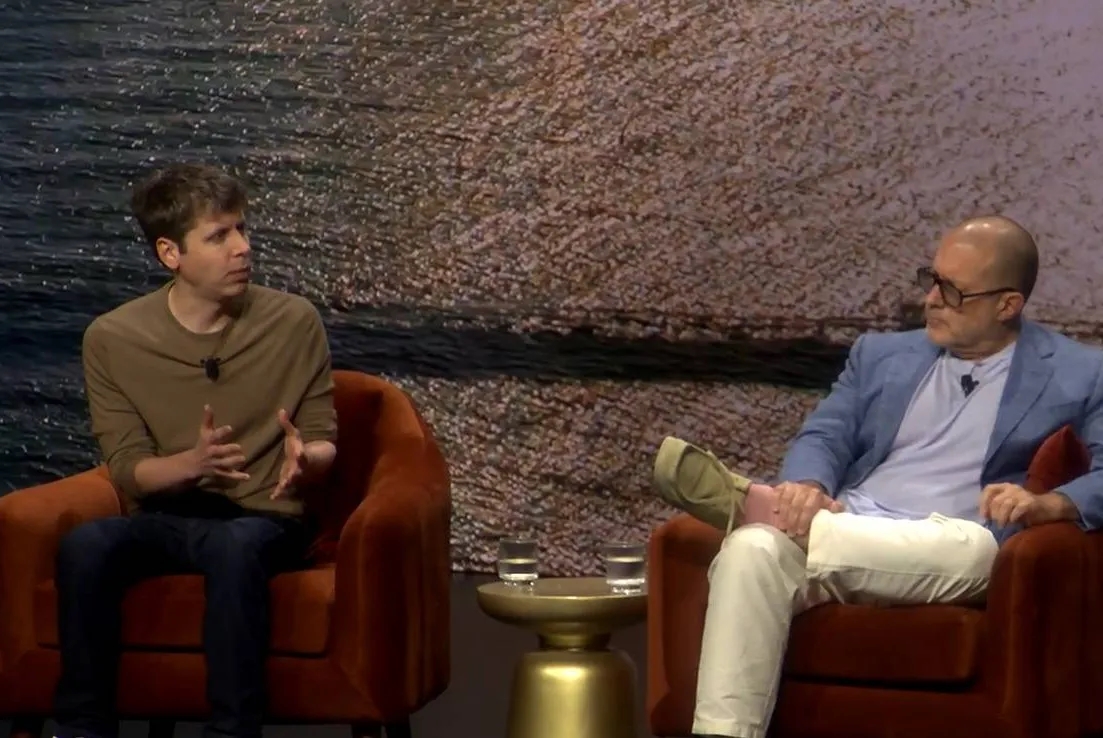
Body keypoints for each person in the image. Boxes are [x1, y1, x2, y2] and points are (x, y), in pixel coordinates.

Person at [653, 215, 1103, 738]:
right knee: (750, 551)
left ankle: (763, 512)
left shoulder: (1080, 373)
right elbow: (825, 436)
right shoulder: (879, 354)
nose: (931, 300)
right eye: (931, 280)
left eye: (953, 292)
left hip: (955, 539)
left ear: (1007, 305)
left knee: (972, 551)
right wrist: (807, 488)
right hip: (854, 522)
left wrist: (1054, 504)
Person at [53, 163, 338, 738]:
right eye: (219, 236)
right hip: (167, 517)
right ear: (170, 253)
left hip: (265, 519)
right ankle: (83, 729)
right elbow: (128, 469)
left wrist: (308, 460)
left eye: (242, 229)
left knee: (235, 547)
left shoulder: (294, 322)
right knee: (87, 545)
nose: (242, 248)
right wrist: (193, 465)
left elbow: (320, 436)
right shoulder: (113, 338)